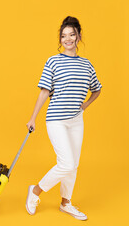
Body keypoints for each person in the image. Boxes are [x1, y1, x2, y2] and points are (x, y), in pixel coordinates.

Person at [25, 16, 102, 221]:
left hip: (76, 121)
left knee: (73, 164)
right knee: (66, 163)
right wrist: (33, 118)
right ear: (60, 39)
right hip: (56, 120)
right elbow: (44, 92)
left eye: (72, 35)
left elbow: (97, 89)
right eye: (64, 35)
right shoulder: (53, 61)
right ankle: (35, 191)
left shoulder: (87, 65)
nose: (68, 39)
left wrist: (85, 105)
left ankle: (65, 203)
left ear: (79, 37)